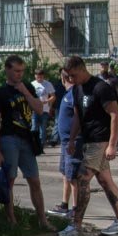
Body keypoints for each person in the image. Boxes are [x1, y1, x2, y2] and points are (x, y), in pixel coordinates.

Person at [59, 55, 118, 236]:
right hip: (88, 141)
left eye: (73, 75)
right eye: (68, 76)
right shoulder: (76, 90)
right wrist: (73, 140)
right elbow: (77, 117)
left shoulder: (101, 88)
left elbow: (115, 114)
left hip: (101, 141)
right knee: (106, 181)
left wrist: (112, 145)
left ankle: (76, 225)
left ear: (82, 69)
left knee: (82, 179)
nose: (70, 80)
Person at [0, 54, 49, 229]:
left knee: (34, 180)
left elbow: (39, 109)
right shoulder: (0, 94)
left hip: (26, 139)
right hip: (9, 139)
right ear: (7, 70)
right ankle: (11, 220)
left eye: (22, 71)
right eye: (16, 71)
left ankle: (42, 220)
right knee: (10, 180)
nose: (19, 74)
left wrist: (25, 92)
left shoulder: (27, 86)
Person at [47, 70, 81, 219]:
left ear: (63, 78)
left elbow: (79, 116)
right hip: (65, 141)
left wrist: (73, 139)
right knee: (65, 174)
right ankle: (64, 205)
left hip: (72, 142)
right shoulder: (67, 93)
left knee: (73, 176)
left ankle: (76, 209)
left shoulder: (74, 93)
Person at [30, 69, 56, 155]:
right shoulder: (32, 84)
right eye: (37, 76)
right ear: (35, 76)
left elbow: (53, 96)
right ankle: (33, 146)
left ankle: (41, 147)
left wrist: (47, 101)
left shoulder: (48, 84)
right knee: (34, 128)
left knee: (43, 129)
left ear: (43, 76)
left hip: (44, 109)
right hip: (34, 110)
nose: (39, 78)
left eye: (41, 76)